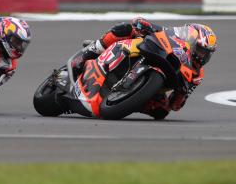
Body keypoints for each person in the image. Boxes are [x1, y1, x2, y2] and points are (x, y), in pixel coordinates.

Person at [71, 17, 217, 120]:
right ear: (191, 41)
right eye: (200, 50)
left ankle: (125, 102)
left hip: (155, 85)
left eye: (206, 53)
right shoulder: (171, 35)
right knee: (123, 29)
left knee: (161, 111)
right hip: (139, 51)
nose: (202, 56)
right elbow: (138, 22)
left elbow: (175, 105)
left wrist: (181, 96)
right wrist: (143, 25)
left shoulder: (196, 75)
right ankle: (90, 51)